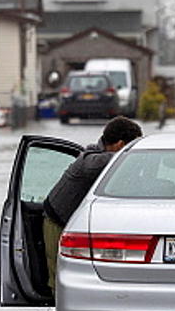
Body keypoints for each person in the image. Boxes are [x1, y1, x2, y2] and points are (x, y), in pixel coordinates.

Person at [42, 116, 143, 291]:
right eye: (130, 148)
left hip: (77, 225)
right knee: (59, 280)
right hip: (57, 221)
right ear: (120, 145)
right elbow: (104, 162)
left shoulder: (98, 155)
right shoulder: (92, 160)